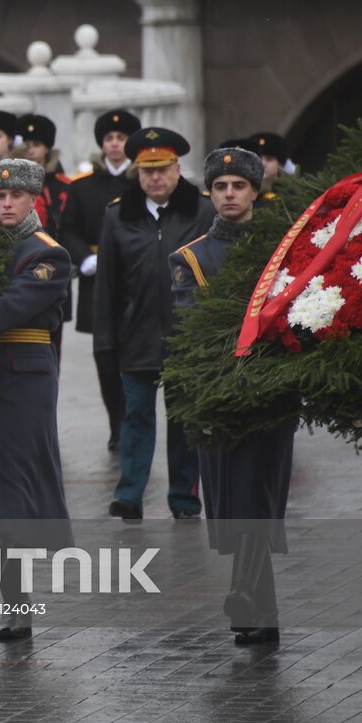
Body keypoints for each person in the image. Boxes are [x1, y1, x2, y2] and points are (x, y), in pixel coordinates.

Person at [169, 146, 292, 647]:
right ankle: (256, 607)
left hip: (269, 395)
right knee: (230, 500)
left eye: (238, 186)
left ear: (254, 190)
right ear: (209, 192)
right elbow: (191, 327)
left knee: (256, 496)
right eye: (220, 187)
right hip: (218, 394)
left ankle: (252, 601)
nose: (229, 195)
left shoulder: (281, 251)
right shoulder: (191, 257)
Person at [0, 158, 73, 641]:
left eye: (15, 196)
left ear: (33, 199)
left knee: (14, 491)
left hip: (22, 383)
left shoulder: (48, 253)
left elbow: (5, 310)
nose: (6, 203)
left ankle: (17, 602)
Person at [95, 127, 214, 521]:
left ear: (178, 169)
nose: (155, 178)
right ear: (137, 173)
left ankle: (183, 498)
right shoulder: (117, 215)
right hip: (137, 333)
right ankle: (129, 495)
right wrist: (106, 341)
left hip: (187, 335)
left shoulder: (202, 211)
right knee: (136, 417)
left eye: (162, 169)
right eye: (147, 171)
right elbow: (107, 284)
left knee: (184, 421)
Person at [59, 109, 141, 452]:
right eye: (109, 139)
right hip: (97, 279)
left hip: (136, 280)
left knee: (134, 356)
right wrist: (84, 257)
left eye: (121, 139)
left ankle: (134, 422)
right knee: (105, 357)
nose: (115, 145)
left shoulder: (144, 182)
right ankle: (116, 423)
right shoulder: (83, 186)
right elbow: (68, 228)